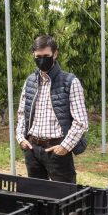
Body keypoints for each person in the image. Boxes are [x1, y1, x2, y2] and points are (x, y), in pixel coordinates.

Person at [16, 35, 88, 184]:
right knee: (36, 196)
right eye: (38, 56)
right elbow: (22, 113)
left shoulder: (70, 82)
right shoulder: (30, 81)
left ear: (55, 54)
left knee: (64, 197)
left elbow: (81, 121)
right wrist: (21, 139)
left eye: (46, 56)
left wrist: (64, 147)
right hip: (32, 149)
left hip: (56, 149)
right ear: (33, 55)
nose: (42, 60)